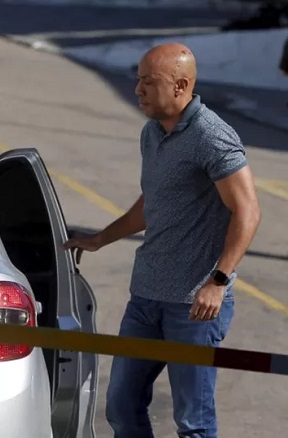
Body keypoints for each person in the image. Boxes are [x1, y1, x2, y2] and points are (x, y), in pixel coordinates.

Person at [64, 43, 261, 438]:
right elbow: (152, 202)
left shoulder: (211, 136)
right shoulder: (152, 133)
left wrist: (218, 282)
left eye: (149, 82)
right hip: (145, 298)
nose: (138, 90)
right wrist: (101, 238)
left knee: (193, 423)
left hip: (193, 307)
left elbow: (248, 211)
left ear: (180, 86)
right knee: (122, 408)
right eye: (138, 80)